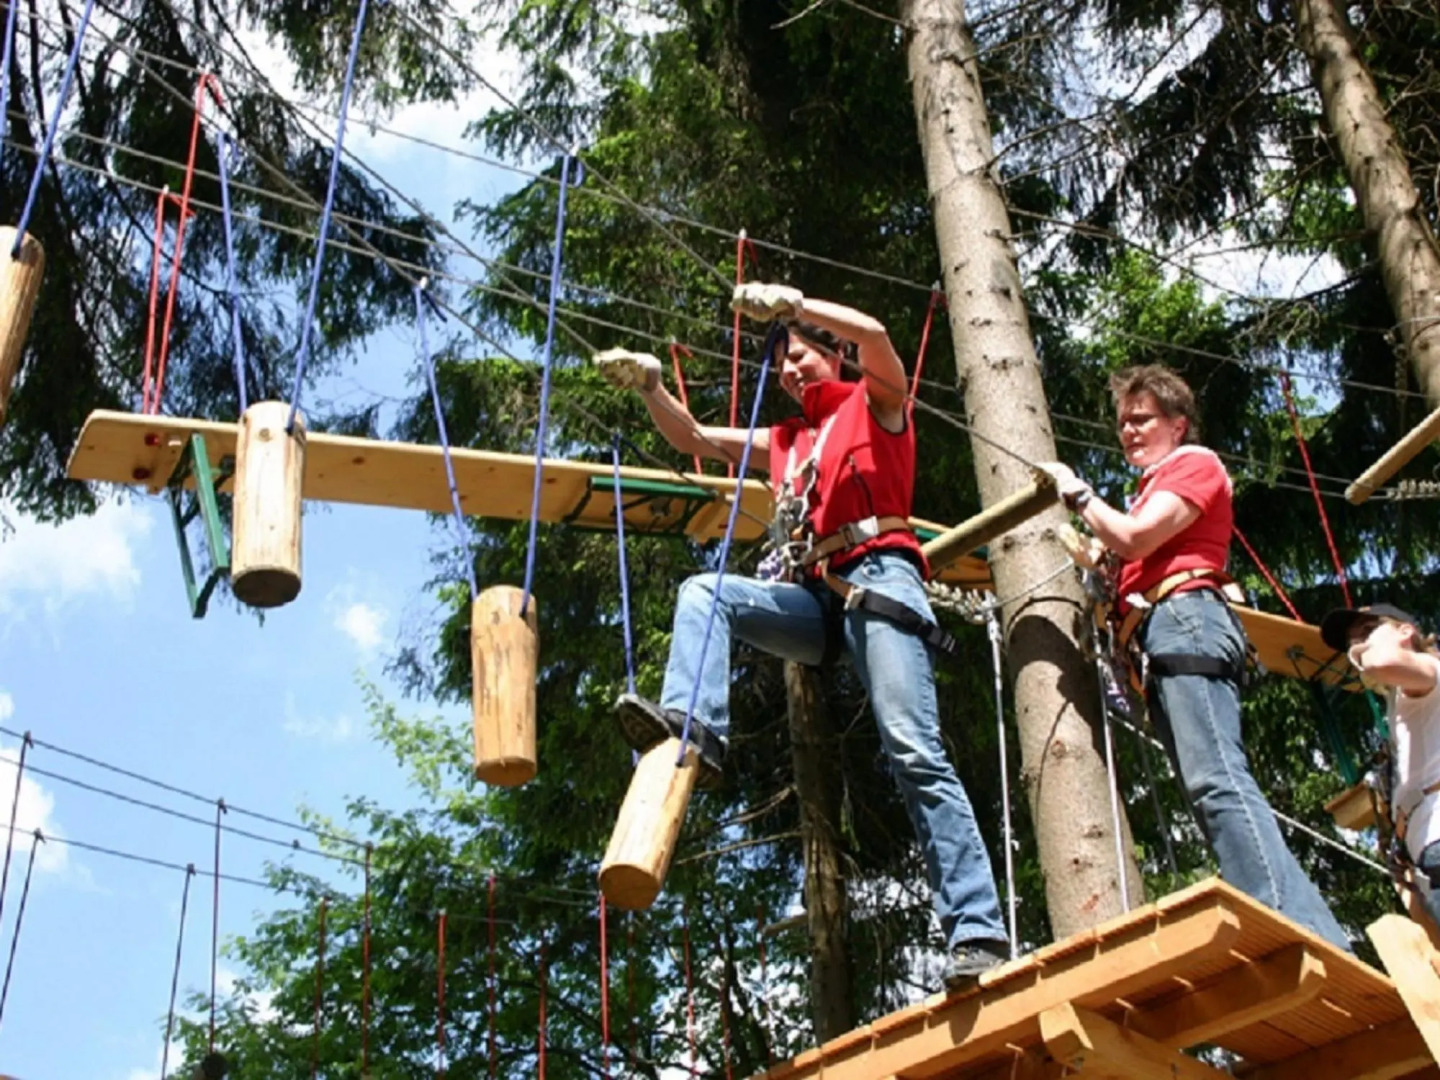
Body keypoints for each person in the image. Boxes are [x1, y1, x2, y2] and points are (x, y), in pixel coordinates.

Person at [592, 282, 1009, 989]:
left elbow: (875, 334)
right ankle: (694, 728)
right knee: (705, 592)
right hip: (818, 598)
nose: (790, 369)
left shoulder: (875, 406)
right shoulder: (786, 441)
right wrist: (654, 388)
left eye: (802, 355)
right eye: (781, 363)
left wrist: (797, 307)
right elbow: (694, 439)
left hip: (879, 579)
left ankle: (978, 932)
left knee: (913, 748)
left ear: (832, 353)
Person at [1037, 363, 1350, 951]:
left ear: (1178, 425)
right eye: (1123, 423)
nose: (1128, 431)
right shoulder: (1152, 488)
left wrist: (1077, 493)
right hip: (1162, 634)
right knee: (1208, 788)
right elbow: (1128, 551)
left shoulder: (1194, 465)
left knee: (1217, 781)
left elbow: (1135, 537)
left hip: (1187, 619)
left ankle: (1292, 926)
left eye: (1142, 419)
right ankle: (1295, 923)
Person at [1320, 603, 1440, 931]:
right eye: (1351, 640)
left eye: (1369, 630)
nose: (1358, 642)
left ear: (1406, 631)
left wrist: (1361, 654)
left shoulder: (1429, 669)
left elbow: (1383, 662)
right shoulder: (1408, 695)